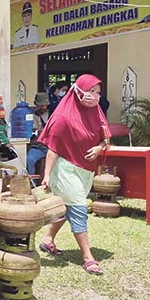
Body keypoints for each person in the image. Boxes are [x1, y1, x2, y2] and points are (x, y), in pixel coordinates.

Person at [37, 74, 110, 275]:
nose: (94, 96)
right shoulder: (63, 117)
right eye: (90, 91)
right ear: (77, 91)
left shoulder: (96, 113)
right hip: (66, 169)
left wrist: (99, 148)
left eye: (97, 92)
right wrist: (47, 175)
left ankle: (47, 239)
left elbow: (104, 138)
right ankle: (88, 257)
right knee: (78, 207)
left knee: (67, 208)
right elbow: (53, 148)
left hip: (85, 170)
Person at [26, 92, 50, 176]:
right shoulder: (29, 114)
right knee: (29, 159)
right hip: (37, 147)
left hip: (50, 147)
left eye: (44, 105)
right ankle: (32, 183)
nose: (42, 107)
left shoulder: (51, 114)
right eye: (40, 105)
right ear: (35, 104)